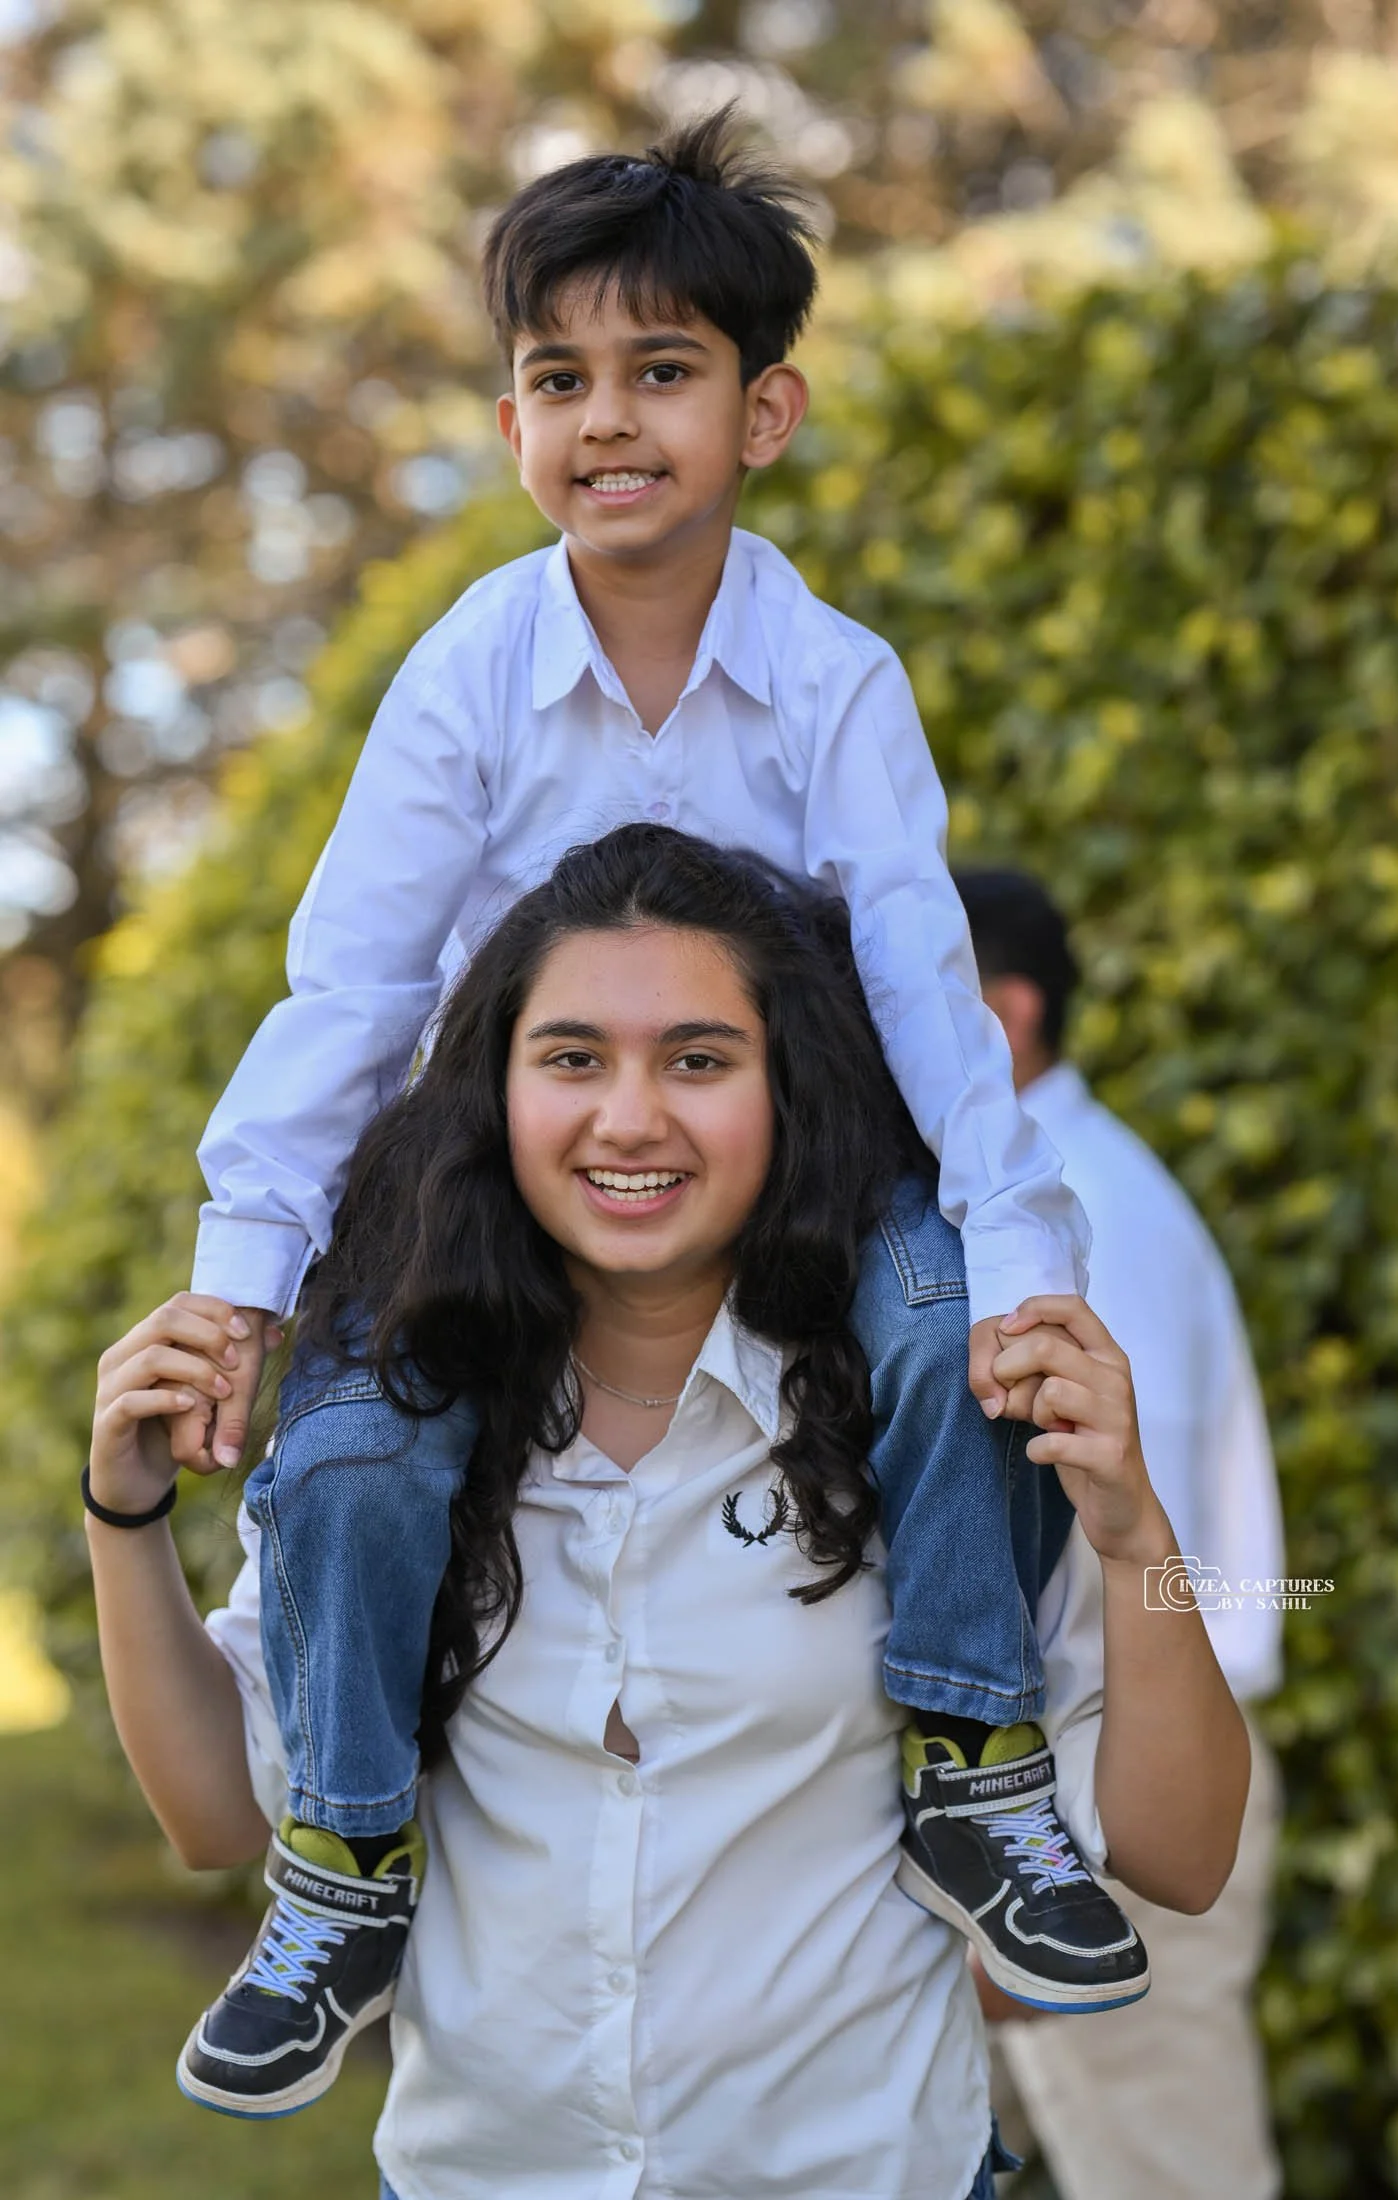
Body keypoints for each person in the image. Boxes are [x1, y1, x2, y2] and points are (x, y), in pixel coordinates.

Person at [133, 110, 1154, 2110]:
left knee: (953, 1334)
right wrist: (242, 1278)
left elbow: (929, 993)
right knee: (349, 1450)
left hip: (815, 1151)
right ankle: (342, 1855)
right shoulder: (462, 673)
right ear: (512, 420)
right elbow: (347, 988)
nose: (608, 420)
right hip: (481, 1168)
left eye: (662, 372)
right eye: (558, 378)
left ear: (763, 412)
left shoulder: (835, 679)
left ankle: (970, 1748)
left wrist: (1022, 1253)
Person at [85, 827, 1250, 2198]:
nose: (630, 1117)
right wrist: (123, 1515)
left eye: (698, 1059)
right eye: (572, 1058)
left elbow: (1178, 1859)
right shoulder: (382, 1449)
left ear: (789, 1091)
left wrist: (1138, 1544)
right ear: (494, 1092)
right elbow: (222, 1821)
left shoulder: (938, 1421)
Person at [953, 868, 1286, 2200]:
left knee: (1170, 2178)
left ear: (1004, 1014)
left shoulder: (1070, 1213)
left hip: (1120, 1782)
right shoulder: (1049, 1192)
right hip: (1072, 1776)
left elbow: (1108, 1551)